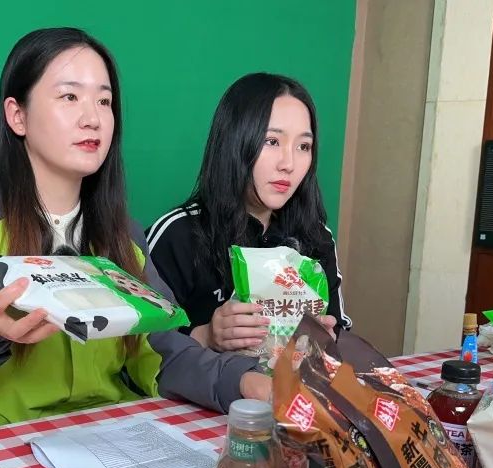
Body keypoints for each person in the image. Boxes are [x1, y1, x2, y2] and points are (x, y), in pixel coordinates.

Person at [0, 28, 268, 436]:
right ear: (17, 116)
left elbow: (159, 349)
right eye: (69, 96)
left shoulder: (121, 236)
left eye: (104, 101)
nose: (92, 118)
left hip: (110, 442)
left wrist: (241, 381)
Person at [145, 72, 351, 353]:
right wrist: (206, 336)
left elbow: (340, 331)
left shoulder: (315, 236)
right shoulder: (177, 235)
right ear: (234, 142)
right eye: (272, 141)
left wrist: (327, 340)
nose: (289, 164)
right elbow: (137, 351)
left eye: (304, 146)